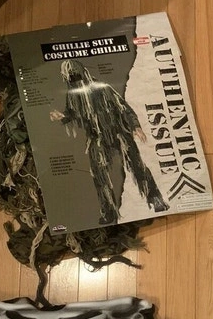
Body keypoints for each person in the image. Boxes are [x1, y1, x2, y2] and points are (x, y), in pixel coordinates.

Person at [51, 59, 168, 226]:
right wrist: (63, 116)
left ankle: (155, 199)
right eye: (70, 79)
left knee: (137, 166)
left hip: (118, 133)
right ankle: (108, 212)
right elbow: (73, 113)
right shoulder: (73, 96)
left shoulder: (102, 88)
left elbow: (123, 107)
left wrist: (135, 126)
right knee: (99, 175)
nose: (74, 81)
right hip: (97, 138)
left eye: (75, 76)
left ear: (83, 73)